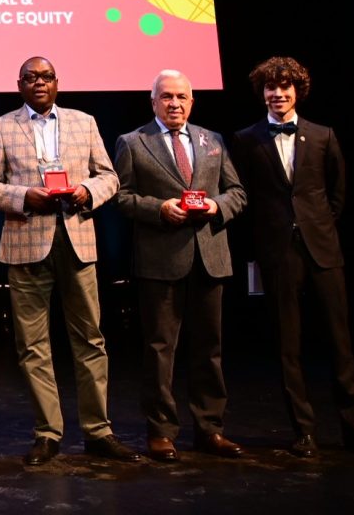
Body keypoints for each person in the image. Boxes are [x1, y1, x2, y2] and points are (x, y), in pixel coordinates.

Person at [0, 56, 140, 466]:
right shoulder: (1, 126)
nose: (39, 83)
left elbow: (110, 177)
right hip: (26, 243)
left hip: (77, 239)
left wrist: (87, 191)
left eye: (46, 76)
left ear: (57, 82)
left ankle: (98, 431)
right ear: (19, 85)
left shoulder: (84, 122)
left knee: (90, 339)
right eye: (31, 77)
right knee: (33, 345)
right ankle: (47, 433)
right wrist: (23, 196)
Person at [232, 56, 354, 457]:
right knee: (287, 345)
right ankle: (304, 431)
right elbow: (245, 196)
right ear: (262, 92)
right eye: (271, 88)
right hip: (277, 252)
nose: (278, 94)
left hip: (322, 248)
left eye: (285, 87)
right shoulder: (246, 139)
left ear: (298, 91)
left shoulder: (323, 135)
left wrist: (317, 225)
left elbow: (337, 194)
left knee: (340, 341)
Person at [113, 70, 246, 462]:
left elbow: (237, 192)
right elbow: (120, 196)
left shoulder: (212, 140)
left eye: (181, 97)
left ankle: (210, 429)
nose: (174, 103)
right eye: (167, 97)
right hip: (160, 260)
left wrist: (216, 206)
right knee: (160, 349)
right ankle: (161, 432)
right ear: (153, 101)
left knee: (209, 348)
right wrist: (159, 209)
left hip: (210, 256)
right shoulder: (132, 142)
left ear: (192, 101)